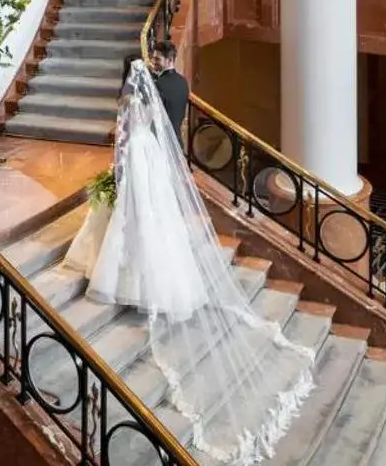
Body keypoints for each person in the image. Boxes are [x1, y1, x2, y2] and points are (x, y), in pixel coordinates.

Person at [65, 60, 315, 464]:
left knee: (136, 227)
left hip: (141, 169)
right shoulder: (163, 102)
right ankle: (150, 283)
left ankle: (132, 282)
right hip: (155, 167)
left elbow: (126, 151)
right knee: (155, 229)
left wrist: (120, 171)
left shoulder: (132, 113)